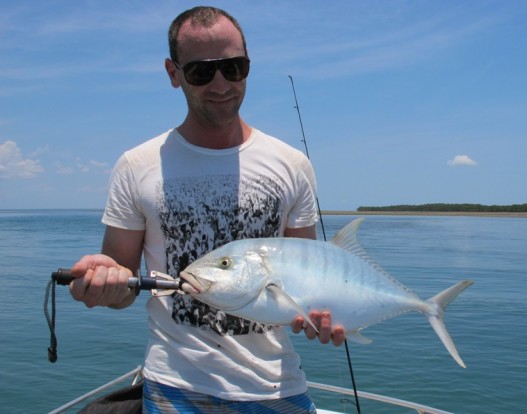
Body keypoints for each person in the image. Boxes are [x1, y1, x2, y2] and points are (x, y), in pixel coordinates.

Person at [70, 6, 345, 413]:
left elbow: (308, 273)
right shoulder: (137, 165)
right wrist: (97, 283)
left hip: (277, 388)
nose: (221, 83)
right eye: (201, 71)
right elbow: (122, 285)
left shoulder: (292, 164)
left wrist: (326, 315)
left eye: (234, 67)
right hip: (175, 389)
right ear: (173, 73)